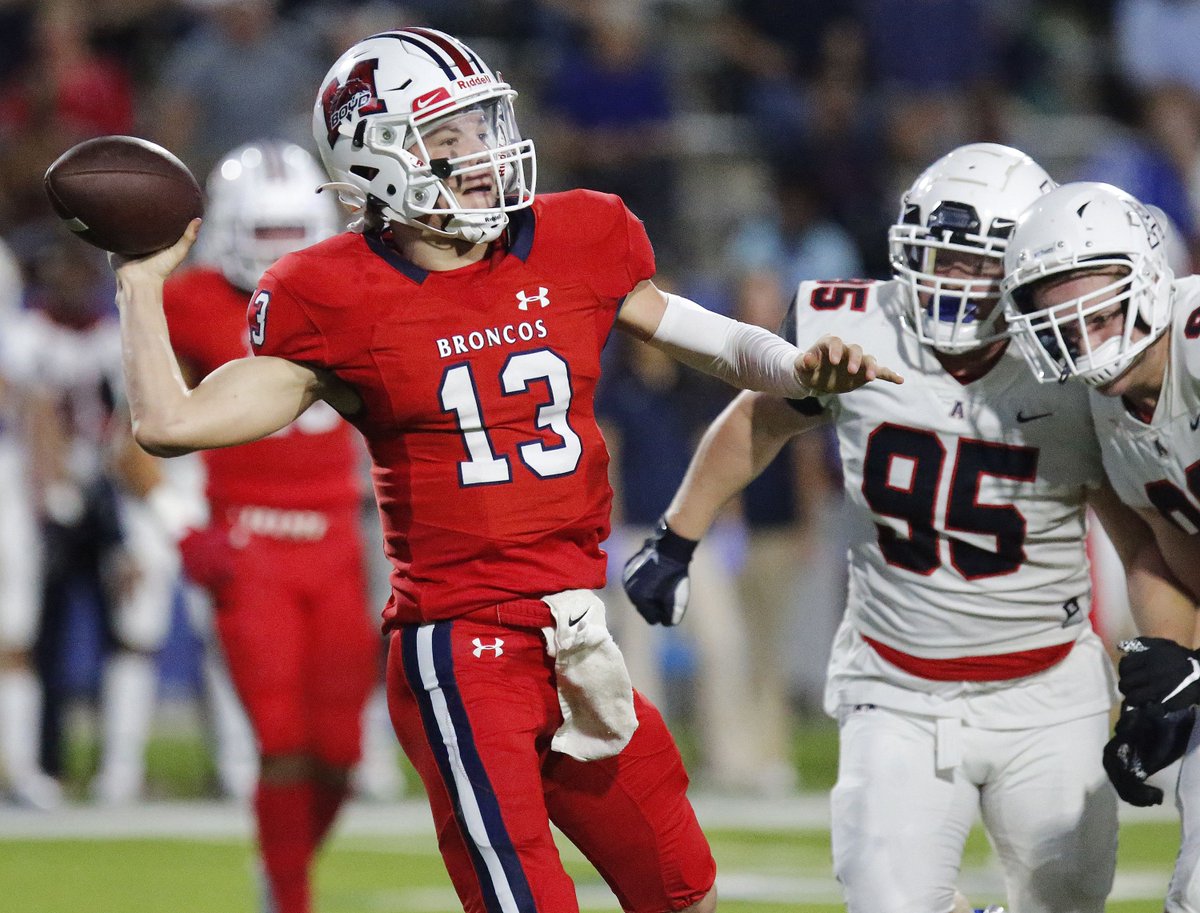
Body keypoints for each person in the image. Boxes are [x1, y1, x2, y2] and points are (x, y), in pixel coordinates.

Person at [104, 27, 900, 913]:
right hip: (462, 646)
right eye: (447, 137)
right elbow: (169, 424)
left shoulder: (578, 234)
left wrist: (797, 369)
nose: (481, 154)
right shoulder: (326, 293)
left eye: (482, 125)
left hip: (574, 627)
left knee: (683, 890)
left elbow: (709, 338)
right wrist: (139, 285)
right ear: (376, 156)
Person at [622, 142, 1167, 913]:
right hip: (896, 685)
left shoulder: (1067, 352)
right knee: (885, 899)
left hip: (1045, 684)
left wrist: (1165, 655)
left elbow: (1136, 527)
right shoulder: (856, 327)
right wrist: (677, 537)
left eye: (976, 265)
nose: (949, 278)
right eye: (936, 255)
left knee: (1069, 896)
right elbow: (758, 419)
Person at [160, 139, 384, 911]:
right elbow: (135, 429)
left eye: (294, 234)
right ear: (227, 230)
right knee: (283, 739)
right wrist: (178, 522)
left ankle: (280, 869)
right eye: (265, 235)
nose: (280, 254)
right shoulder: (190, 303)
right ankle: (288, 897)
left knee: (343, 752)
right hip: (249, 542)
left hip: (336, 541)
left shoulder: (357, 292)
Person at [1001, 180, 1200, 910]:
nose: (1084, 335)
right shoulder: (1097, 407)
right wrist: (1169, 670)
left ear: (1147, 275)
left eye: (1100, 306)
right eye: (1060, 318)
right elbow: (1158, 547)